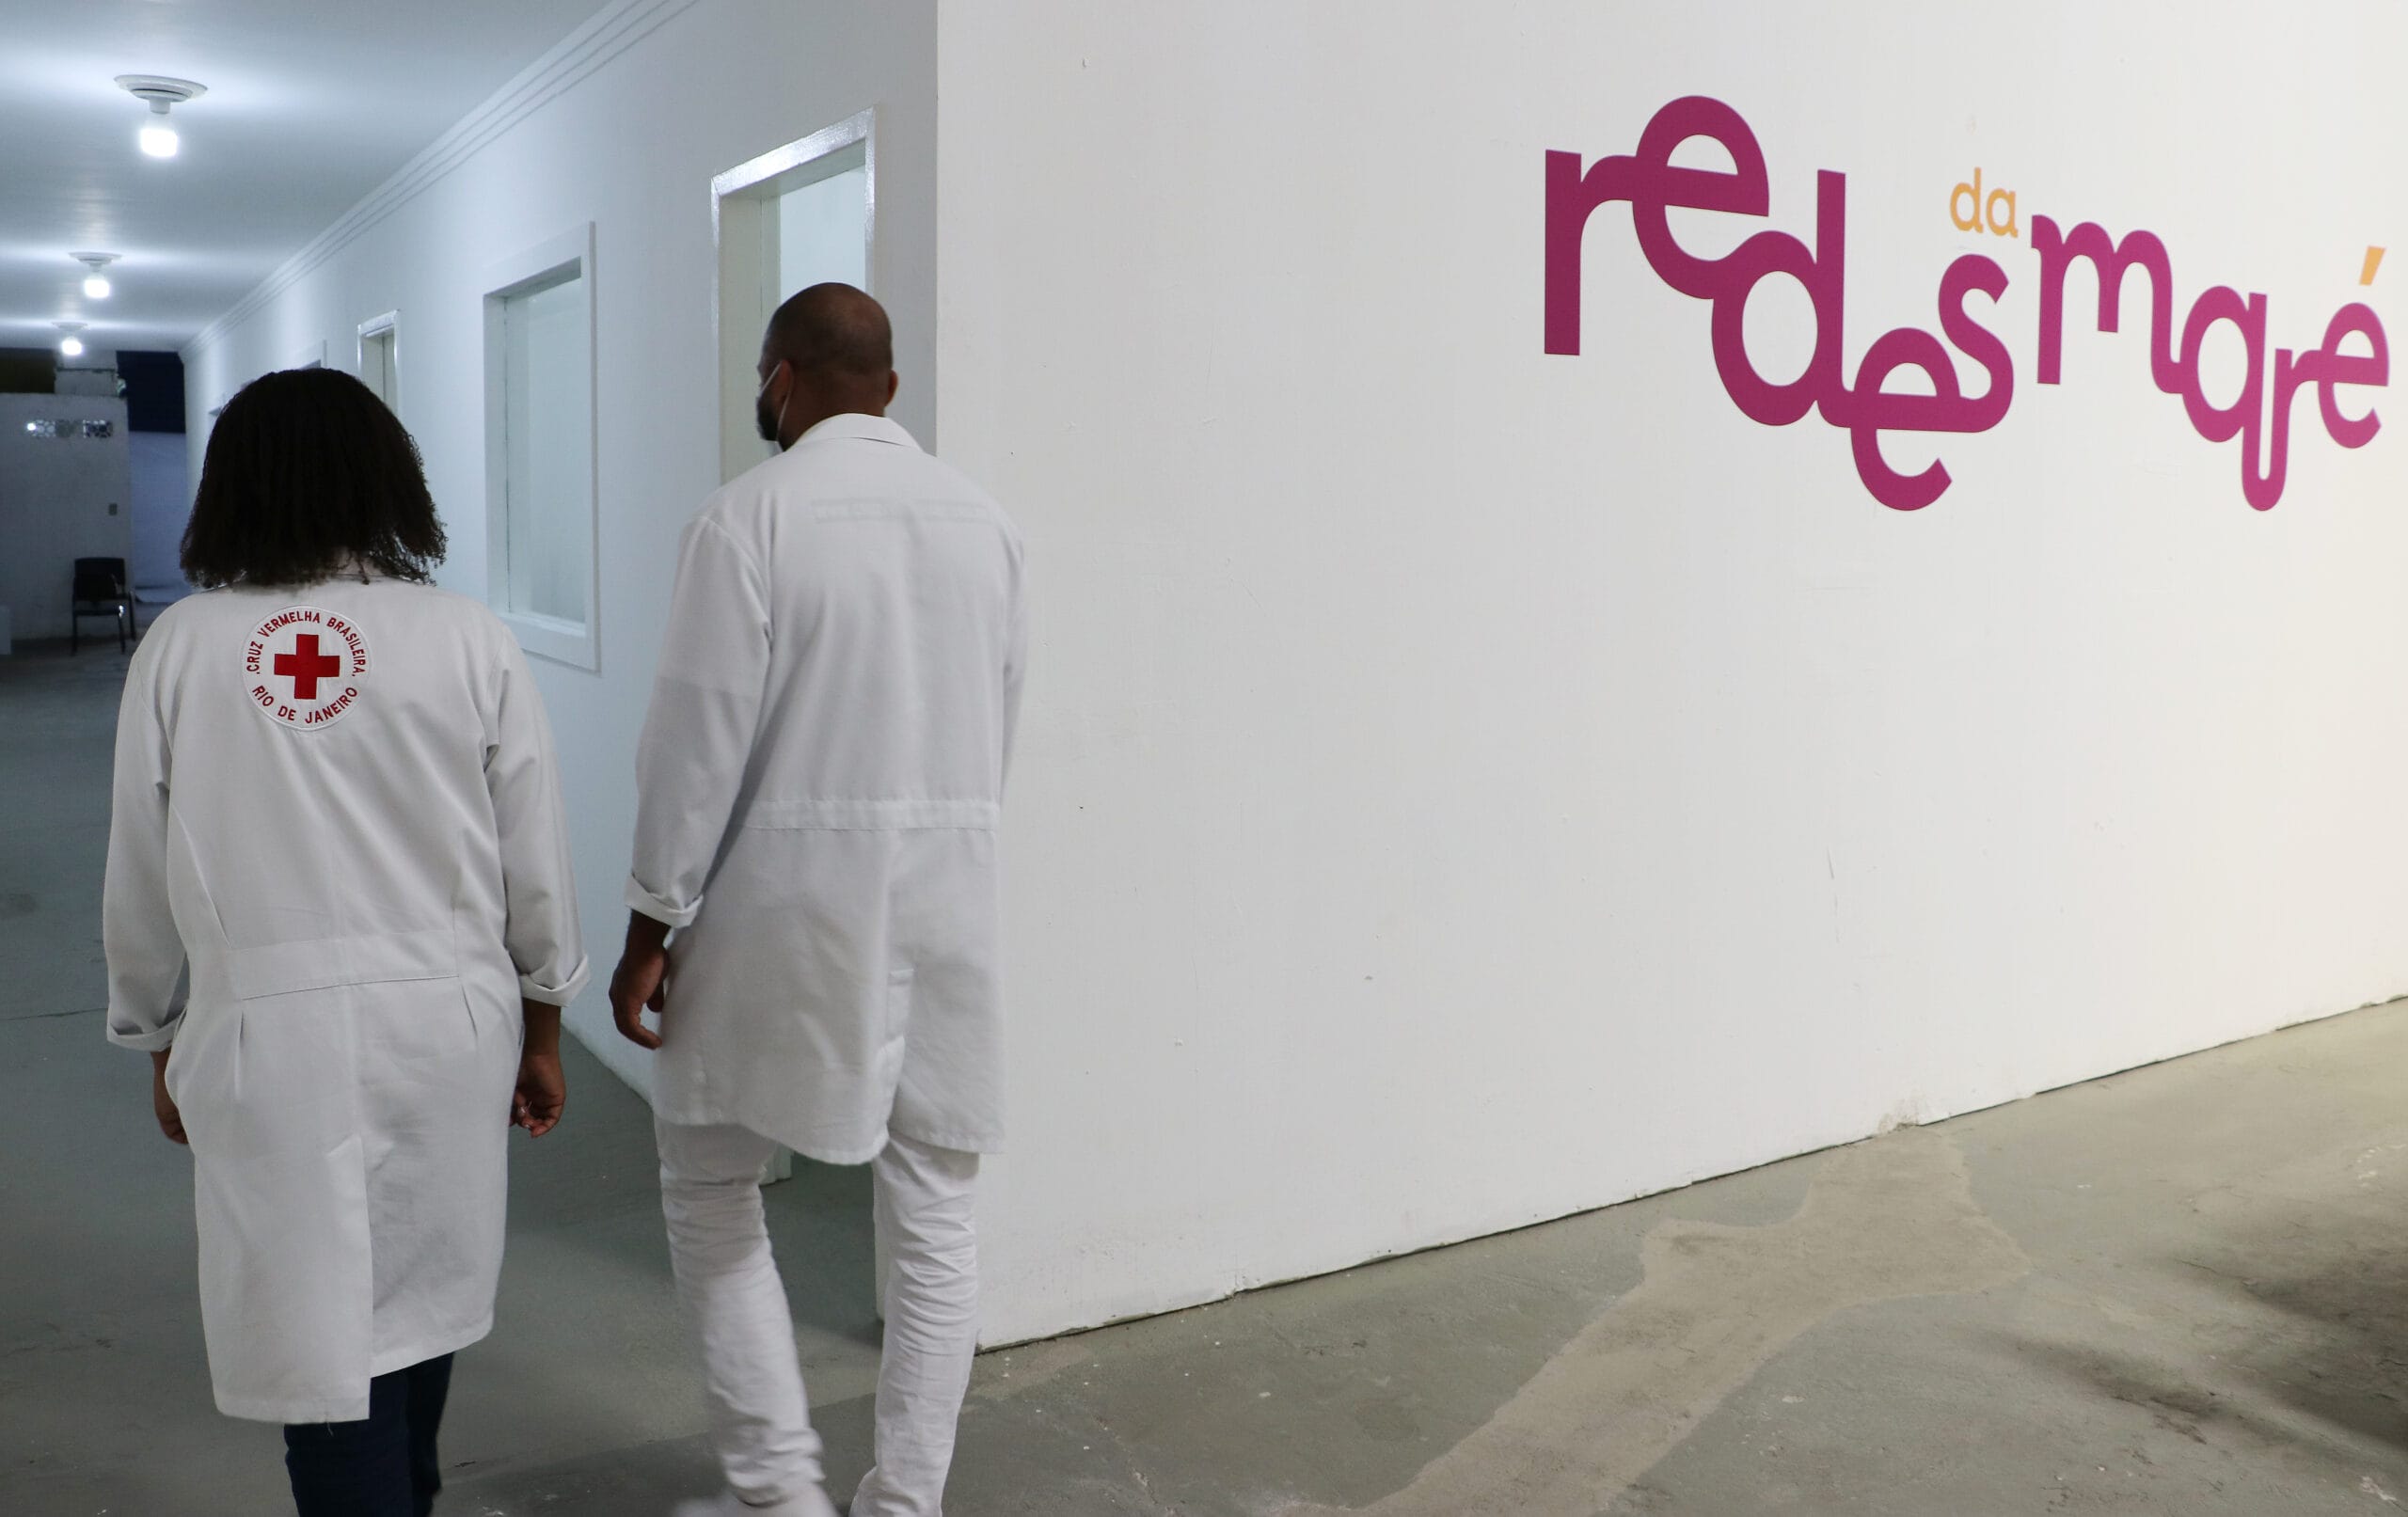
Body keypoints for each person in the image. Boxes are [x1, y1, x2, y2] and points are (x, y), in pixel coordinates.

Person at [103, 368, 588, 1517]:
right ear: (386, 478)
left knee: (321, 1349)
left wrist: (158, 1035)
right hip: (449, 1029)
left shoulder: (181, 647)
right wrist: (544, 1022)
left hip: (264, 1044)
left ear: (231, 487)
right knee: (418, 1296)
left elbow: (139, 872)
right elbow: (534, 855)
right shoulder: (465, 636)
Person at [610, 284, 1027, 1517]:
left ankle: (780, 1493)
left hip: (782, 903)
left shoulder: (746, 520)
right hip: (951, 896)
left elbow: (692, 746)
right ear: (889, 388)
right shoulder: (988, 526)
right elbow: (998, 727)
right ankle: (904, 1504)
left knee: (710, 1179)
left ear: (781, 379)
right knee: (937, 1210)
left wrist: (650, 922)